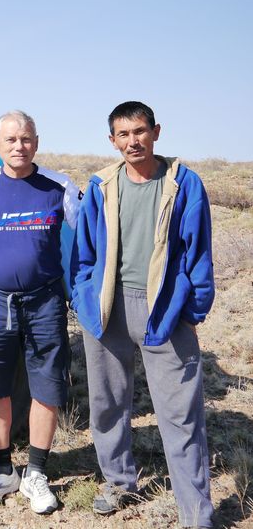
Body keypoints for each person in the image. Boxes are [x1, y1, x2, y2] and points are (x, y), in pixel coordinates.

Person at [70, 101, 214, 528]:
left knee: (180, 414)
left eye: (140, 131)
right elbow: (84, 256)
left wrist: (193, 309)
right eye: (123, 134)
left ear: (156, 132)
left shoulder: (183, 184)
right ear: (112, 140)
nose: (133, 141)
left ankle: (195, 513)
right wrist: (84, 300)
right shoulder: (101, 186)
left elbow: (198, 251)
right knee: (107, 403)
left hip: (165, 310)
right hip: (108, 309)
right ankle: (118, 481)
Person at [0, 110, 80, 514]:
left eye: (26, 138)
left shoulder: (60, 186)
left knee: (46, 384)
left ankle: (36, 473)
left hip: (44, 301)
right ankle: (1, 471)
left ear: (37, 141)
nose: (19, 146)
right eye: (10, 139)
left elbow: (88, 238)